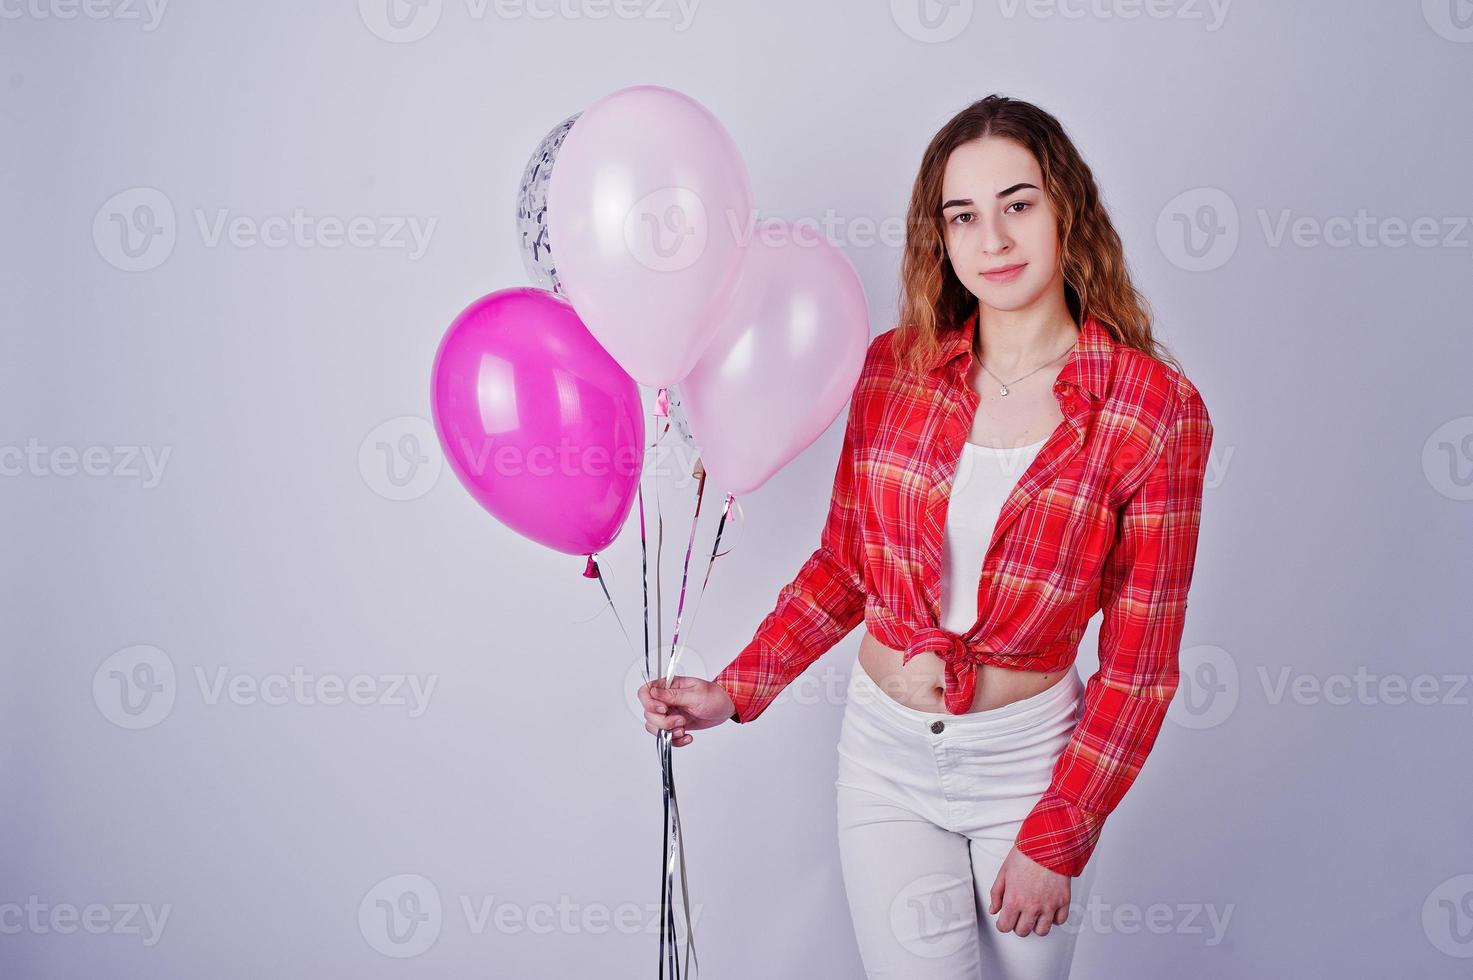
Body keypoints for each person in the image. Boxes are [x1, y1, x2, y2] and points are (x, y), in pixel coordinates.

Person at [636, 93, 1214, 979]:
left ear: (1068, 210)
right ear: (939, 237)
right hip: (884, 761)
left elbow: (1140, 669)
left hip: (1027, 771)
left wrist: (1058, 835)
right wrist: (733, 689)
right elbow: (844, 567)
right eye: (963, 216)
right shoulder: (893, 370)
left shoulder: (1152, 412)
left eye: (1018, 204)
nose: (993, 239)